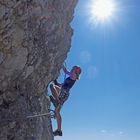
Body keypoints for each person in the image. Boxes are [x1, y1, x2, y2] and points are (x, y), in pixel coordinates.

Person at [49, 65, 82, 136]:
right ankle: (59, 130)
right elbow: (61, 85)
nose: (72, 68)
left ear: (76, 70)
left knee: (57, 111)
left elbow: (66, 71)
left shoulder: (74, 75)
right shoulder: (71, 77)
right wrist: (56, 81)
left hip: (64, 93)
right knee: (53, 86)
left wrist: (62, 65)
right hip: (63, 91)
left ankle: (59, 130)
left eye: (73, 68)